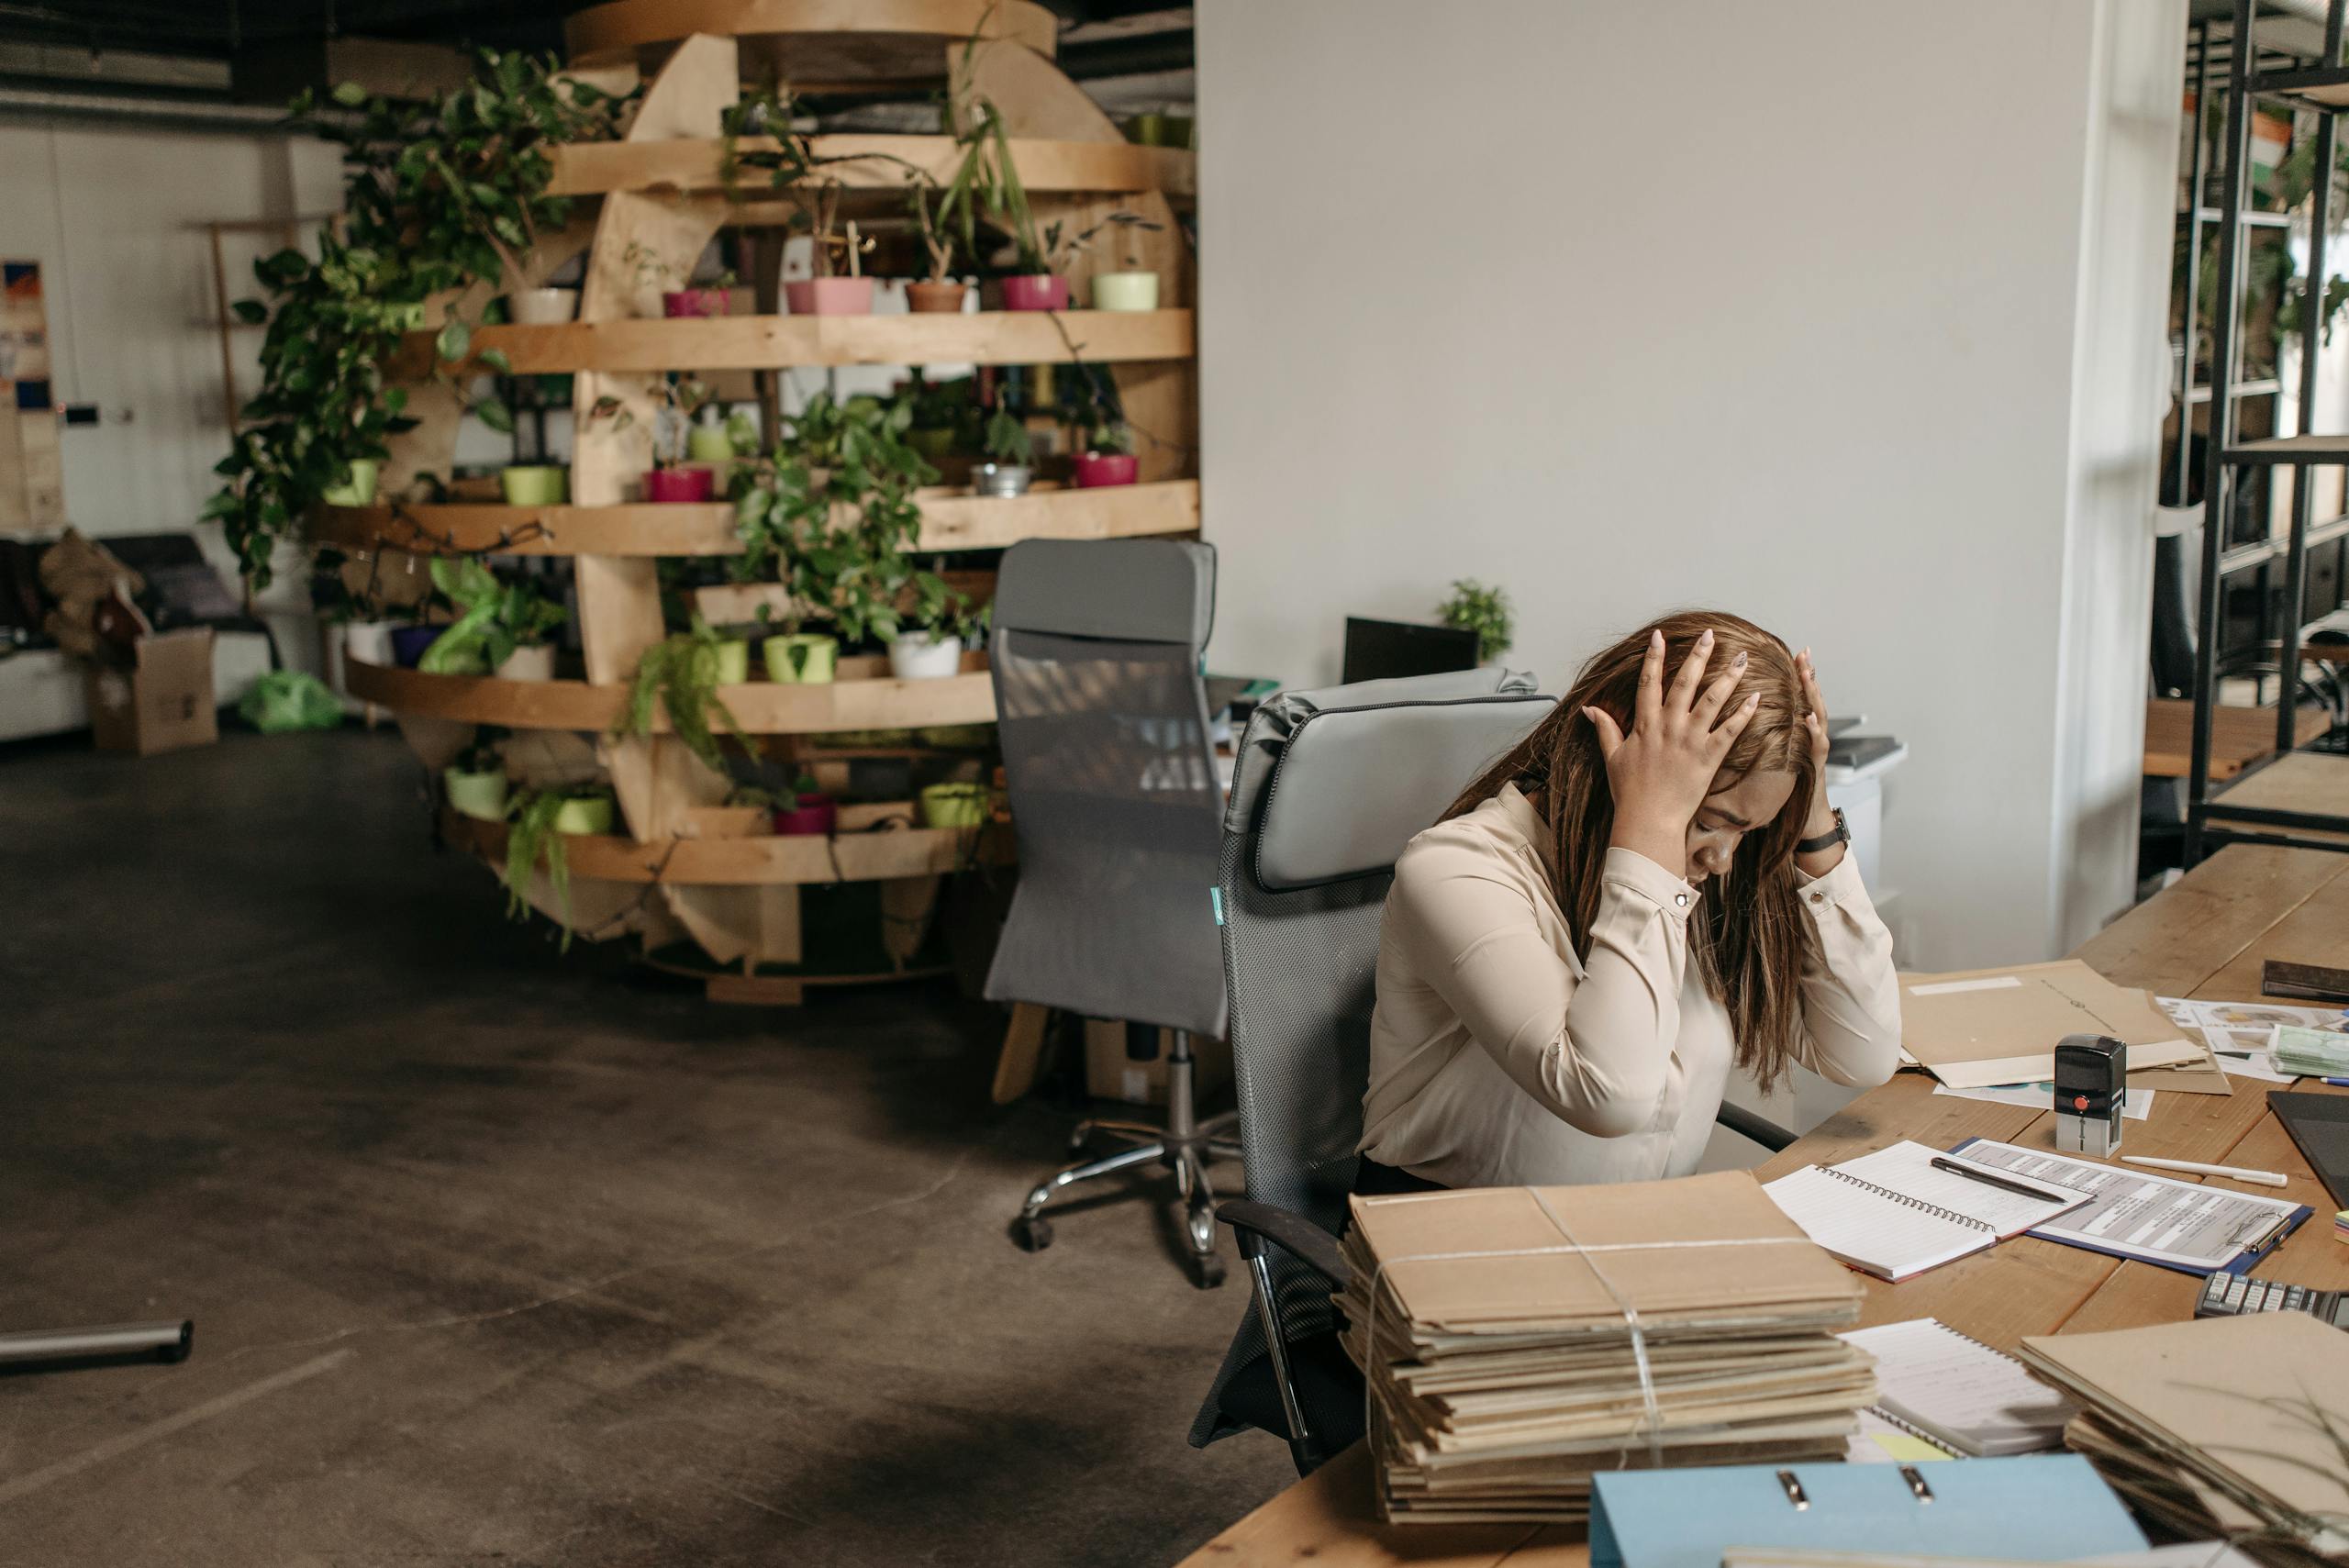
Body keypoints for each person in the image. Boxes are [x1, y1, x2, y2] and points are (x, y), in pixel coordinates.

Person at [1356, 610, 1901, 1192]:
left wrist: (1811, 816)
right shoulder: (1456, 869)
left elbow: (1861, 1053)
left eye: (1750, 832)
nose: (1724, 860)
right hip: (1455, 1253)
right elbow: (1608, 1094)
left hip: (1629, 1246)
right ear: (1616, 762)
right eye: (1714, 822)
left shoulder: (1704, 880)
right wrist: (1652, 824)